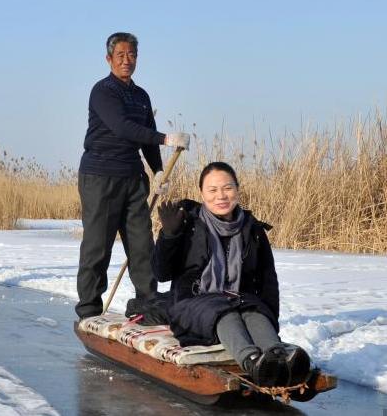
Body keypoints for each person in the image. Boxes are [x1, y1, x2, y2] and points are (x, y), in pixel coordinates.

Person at [152, 162, 311, 387]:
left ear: (237, 189)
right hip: (191, 303)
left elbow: (268, 279)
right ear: (202, 194)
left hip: (238, 299)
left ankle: (277, 355)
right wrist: (170, 236)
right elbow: (161, 273)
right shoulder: (187, 224)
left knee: (254, 311)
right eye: (213, 190)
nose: (221, 196)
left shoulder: (253, 229)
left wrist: (269, 317)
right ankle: (252, 362)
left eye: (227, 188)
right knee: (225, 313)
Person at [75, 32, 190, 319]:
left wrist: (158, 170)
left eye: (132, 55)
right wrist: (166, 138)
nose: (127, 60)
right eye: (121, 55)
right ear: (109, 59)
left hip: (133, 178)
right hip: (100, 177)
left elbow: (146, 137)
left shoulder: (141, 96)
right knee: (97, 247)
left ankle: (147, 306)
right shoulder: (103, 91)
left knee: (142, 246)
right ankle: (89, 311)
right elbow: (123, 127)